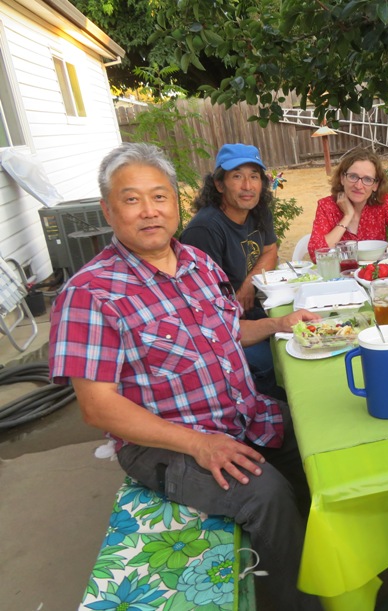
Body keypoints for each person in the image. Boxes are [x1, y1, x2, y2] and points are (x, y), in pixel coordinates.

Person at [49, 142, 322, 611]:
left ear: (176, 202)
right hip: (170, 445)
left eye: (160, 196)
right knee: (269, 496)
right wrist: (198, 444)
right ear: (108, 210)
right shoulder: (90, 293)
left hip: (242, 414)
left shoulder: (197, 264)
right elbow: (98, 407)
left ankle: (324, 557)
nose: (150, 211)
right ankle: (297, 601)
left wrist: (278, 324)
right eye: (132, 199)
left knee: (322, 440)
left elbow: (226, 329)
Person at [180, 143, 283, 399]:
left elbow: (271, 249)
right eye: (237, 176)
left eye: (254, 176)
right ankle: (271, 414)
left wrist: (249, 284)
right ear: (219, 184)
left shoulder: (257, 210)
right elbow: (202, 314)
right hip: (218, 329)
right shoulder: (203, 231)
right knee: (271, 358)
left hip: (254, 309)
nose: (247, 186)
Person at [307, 147, 388, 260]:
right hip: (340, 276)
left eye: (367, 179)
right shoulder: (327, 206)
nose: (359, 186)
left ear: (375, 185)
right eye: (353, 176)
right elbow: (316, 254)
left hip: (376, 274)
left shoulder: (383, 202)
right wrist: (347, 216)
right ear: (342, 178)